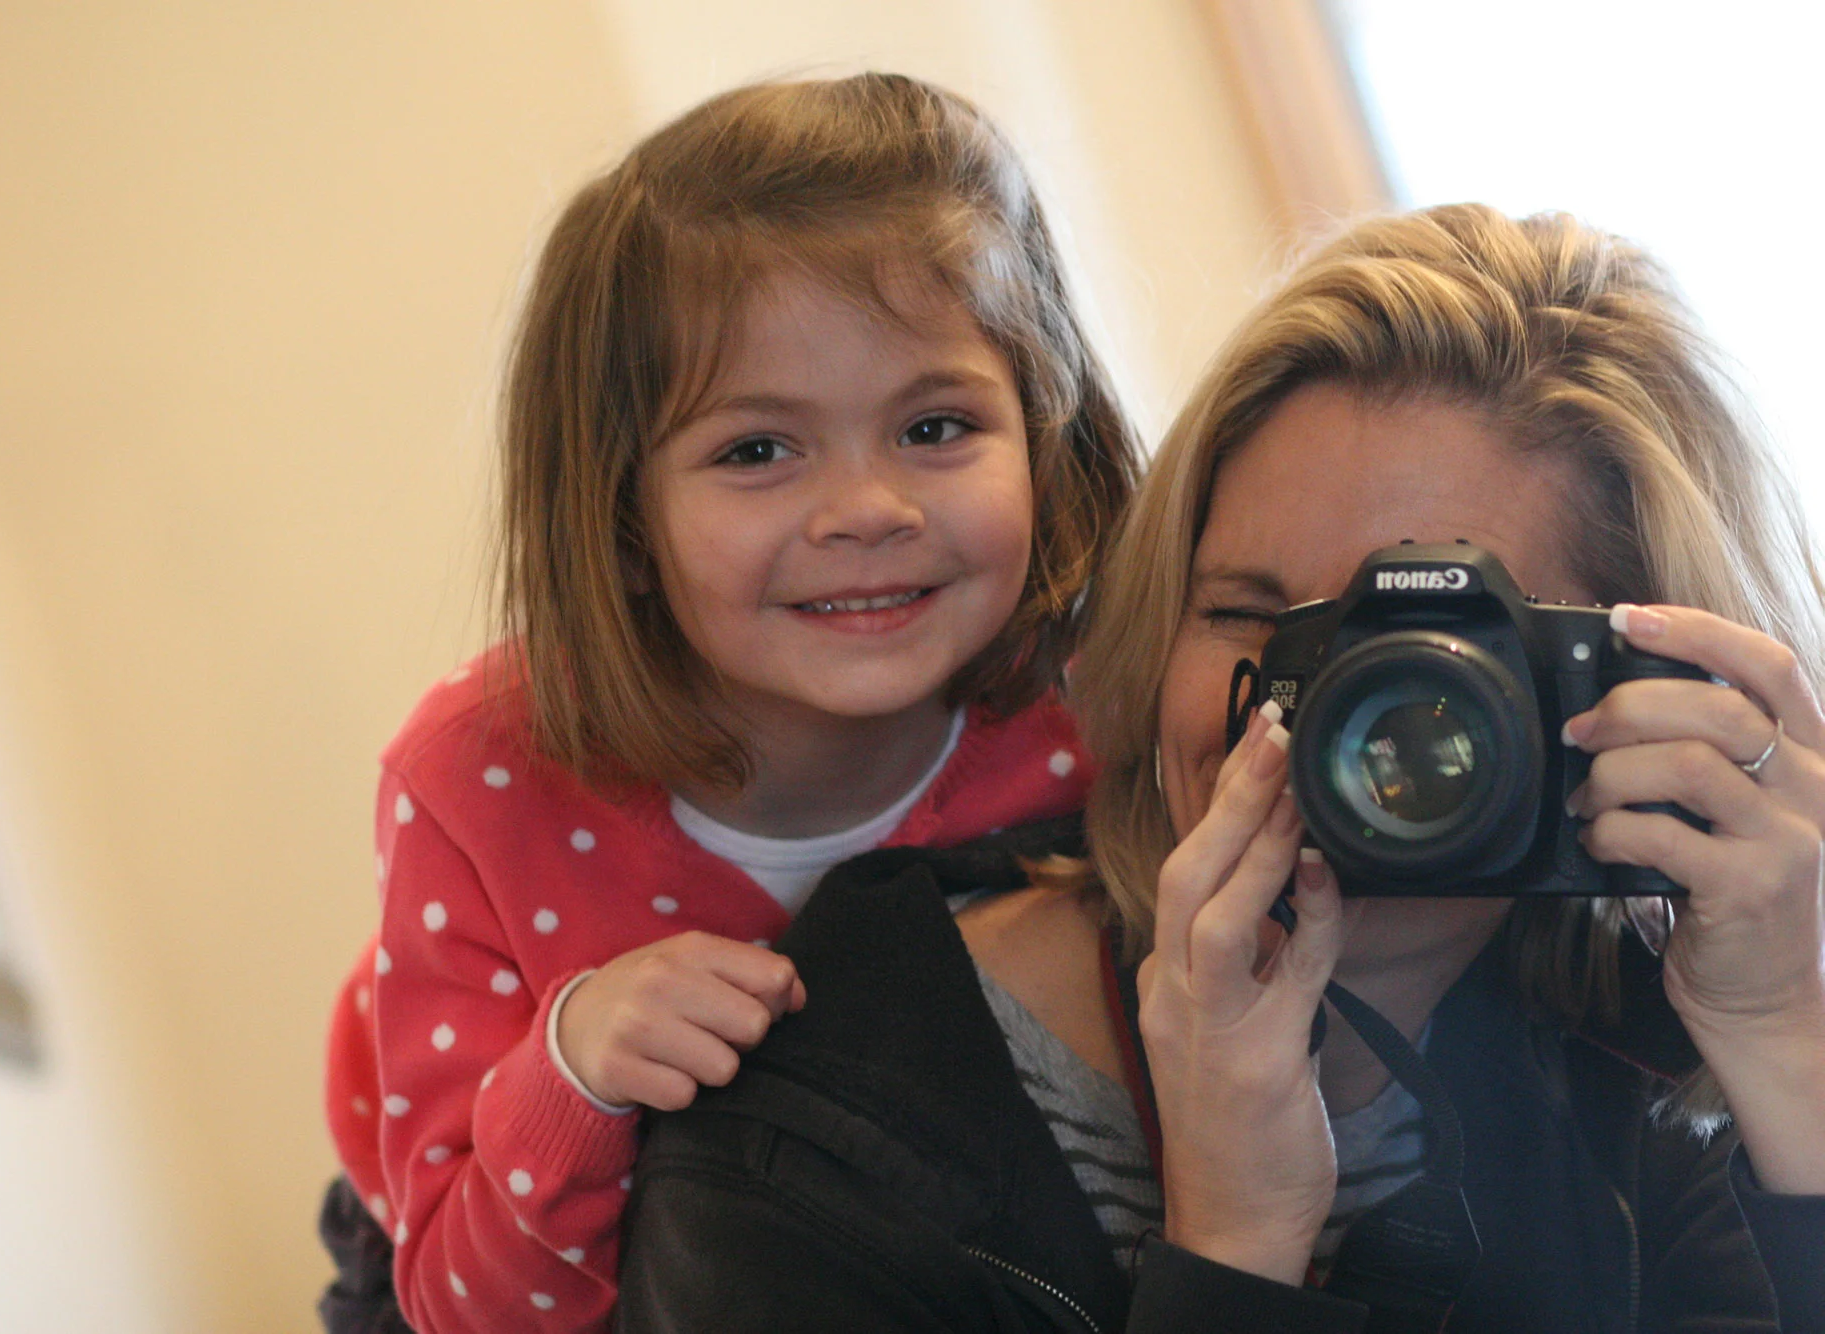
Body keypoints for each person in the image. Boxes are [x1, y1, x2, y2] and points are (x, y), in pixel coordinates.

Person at [613, 204, 1825, 1331]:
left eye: (1422, 653)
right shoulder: (805, 1138)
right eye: (1252, 617)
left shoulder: (1651, 1070)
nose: (1342, 718)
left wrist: (1782, 1040)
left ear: (1628, 689)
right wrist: (1234, 1241)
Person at [315, 73, 1139, 1334]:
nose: (868, 507)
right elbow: (467, 1306)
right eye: (756, 450)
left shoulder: (1097, 686)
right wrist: (575, 1065)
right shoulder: (479, 782)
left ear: (1044, 430)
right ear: (620, 517)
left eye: (934, 425)